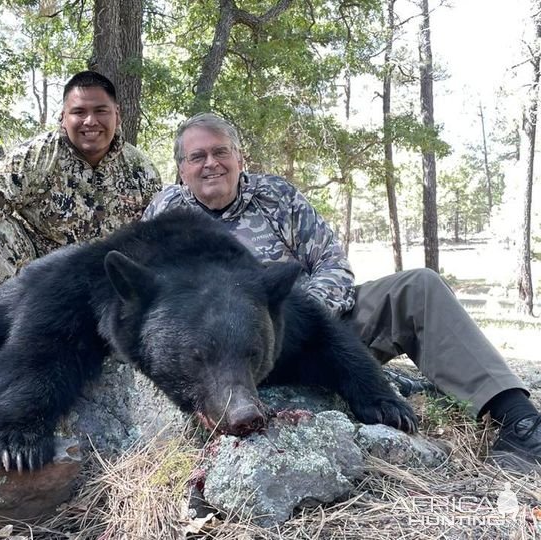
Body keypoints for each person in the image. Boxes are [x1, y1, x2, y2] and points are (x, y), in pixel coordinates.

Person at [143, 111, 541, 470]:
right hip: (220, 362)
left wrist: (307, 316)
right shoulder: (163, 215)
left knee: (419, 286)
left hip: (317, 337)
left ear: (239, 158)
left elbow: (333, 264)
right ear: (181, 168)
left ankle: (518, 419)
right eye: (197, 157)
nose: (211, 163)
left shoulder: (276, 198)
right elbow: (144, 304)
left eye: (220, 152)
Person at [0, 71, 161, 302]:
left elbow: (156, 237)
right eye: (79, 112)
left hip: (107, 285)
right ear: (63, 117)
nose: (90, 121)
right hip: (39, 278)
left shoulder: (141, 170)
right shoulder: (36, 157)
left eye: (100, 111)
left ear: (117, 114)